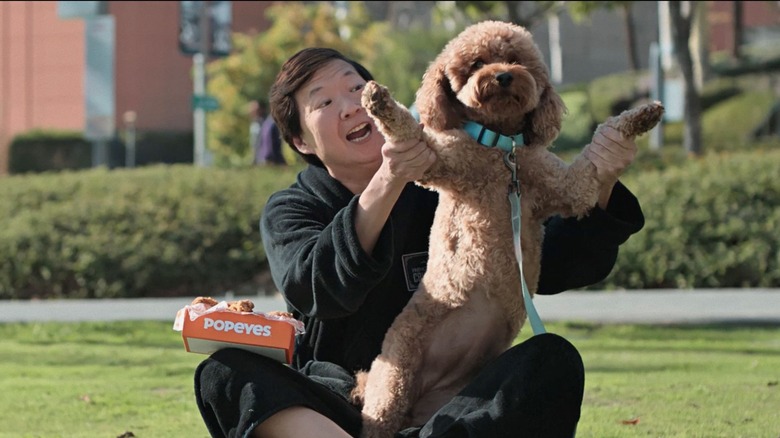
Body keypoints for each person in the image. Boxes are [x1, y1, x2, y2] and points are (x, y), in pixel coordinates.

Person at [195, 47, 645, 438]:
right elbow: (319, 288)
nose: (351, 106)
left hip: (452, 410)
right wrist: (389, 178)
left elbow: (554, 264)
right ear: (301, 141)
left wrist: (600, 179)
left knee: (552, 359)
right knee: (225, 372)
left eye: (356, 89)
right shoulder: (291, 209)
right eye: (325, 102)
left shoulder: (453, 178)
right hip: (341, 411)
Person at [251, 99, 286, 166]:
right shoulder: (259, 124)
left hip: (269, 159)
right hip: (265, 159)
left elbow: (272, 143)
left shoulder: (270, 123)